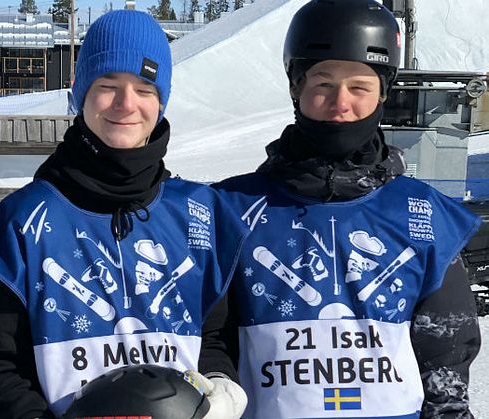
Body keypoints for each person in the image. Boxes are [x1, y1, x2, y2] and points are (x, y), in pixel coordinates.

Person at [0, 9, 247, 419]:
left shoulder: (199, 213)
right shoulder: (25, 219)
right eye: (108, 85)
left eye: (145, 89)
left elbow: (216, 338)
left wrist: (221, 385)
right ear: (81, 92)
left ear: (162, 100)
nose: (125, 104)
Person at [206, 1, 482, 418]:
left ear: (383, 93)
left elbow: (446, 352)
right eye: (322, 84)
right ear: (296, 87)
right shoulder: (233, 209)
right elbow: (211, 339)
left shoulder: (424, 216)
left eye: (359, 87)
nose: (340, 103)